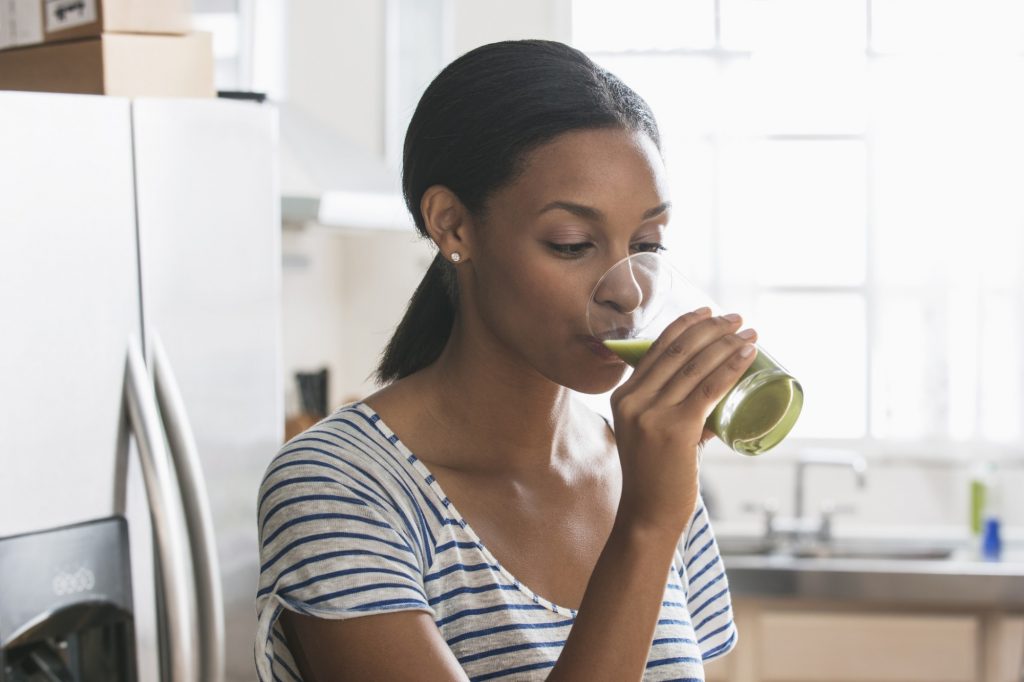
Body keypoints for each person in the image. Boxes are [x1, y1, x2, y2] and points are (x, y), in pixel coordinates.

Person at [255, 39, 756, 681]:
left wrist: (659, 506)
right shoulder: (337, 486)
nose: (628, 289)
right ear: (453, 227)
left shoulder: (646, 462)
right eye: (572, 244)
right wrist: (646, 527)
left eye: (646, 243)